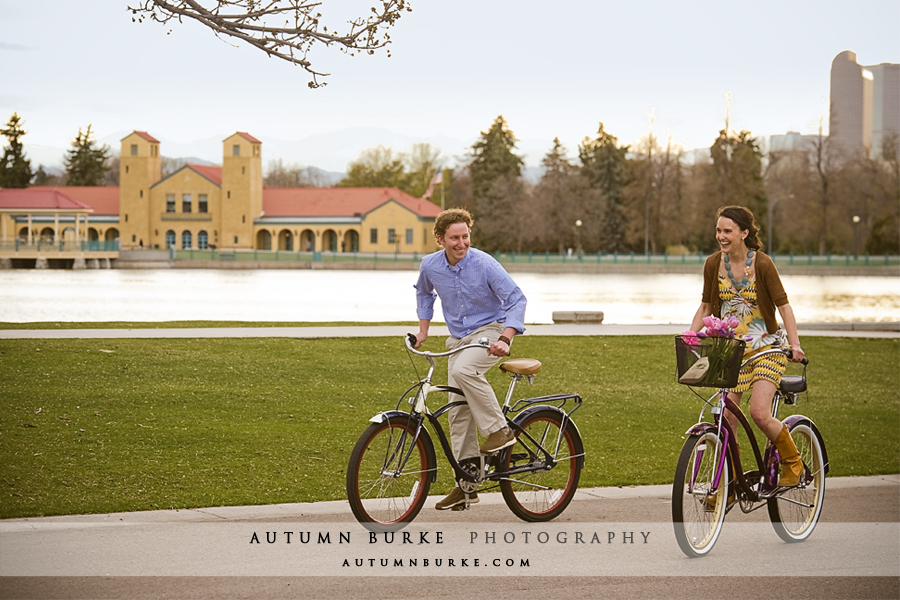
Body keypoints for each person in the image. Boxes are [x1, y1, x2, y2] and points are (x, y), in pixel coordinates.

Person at [413, 207, 527, 510]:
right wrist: (423, 332)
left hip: (491, 330)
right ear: (440, 239)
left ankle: (499, 430)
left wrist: (506, 338)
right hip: (458, 338)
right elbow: (424, 294)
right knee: (458, 413)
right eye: (454, 238)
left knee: (465, 371)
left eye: (465, 236)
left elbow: (516, 298)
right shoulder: (430, 265)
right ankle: (467, 486)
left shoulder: (485, 264)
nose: (461, 243)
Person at [690, 205, 806, 489]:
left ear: (744, 233)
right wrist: (689, 336)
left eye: (727, 230)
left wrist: (795, 344)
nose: (721, 236)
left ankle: (794, 463)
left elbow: (784, 306)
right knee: (726, 420)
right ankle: (733, 485)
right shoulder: (713, 264)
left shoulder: (763, 263)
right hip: (731, 351)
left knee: (759, 413)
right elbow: (706, 305)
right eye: (718, 230)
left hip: (766, 348)